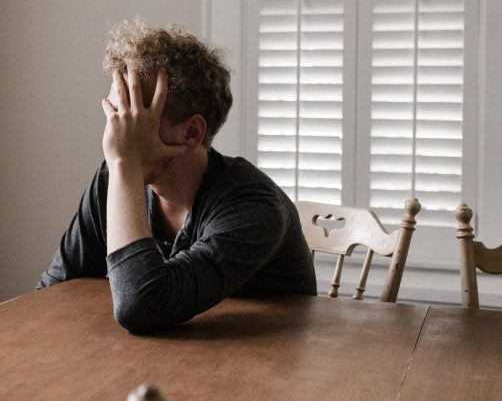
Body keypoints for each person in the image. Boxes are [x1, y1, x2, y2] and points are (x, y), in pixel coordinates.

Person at [38, 19, 317, 332]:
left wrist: (125, 165)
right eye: (115, 114)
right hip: (166, 360)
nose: (115, 134)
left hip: (270, 365)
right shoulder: (114, 178)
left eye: (133, 117)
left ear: (191, 132)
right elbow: (52, 293)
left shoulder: (254, 206)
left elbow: (141, 306)